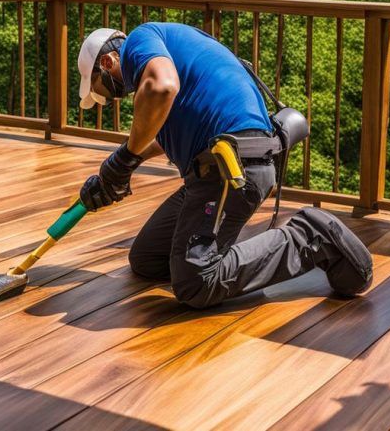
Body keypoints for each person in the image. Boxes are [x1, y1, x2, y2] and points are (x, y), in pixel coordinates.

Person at [77, 23, 373, 308]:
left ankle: (308, 237)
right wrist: (121, 167)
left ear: (107, 60)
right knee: (147, 258)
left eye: (103, 91)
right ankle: (211, 247)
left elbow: (162, 87)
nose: (111, 98)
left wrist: (124, 159)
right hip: (215, 168)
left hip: (232, 169)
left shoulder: (140, 41)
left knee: (196, 283)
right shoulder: (170, 46)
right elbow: (168, 131)